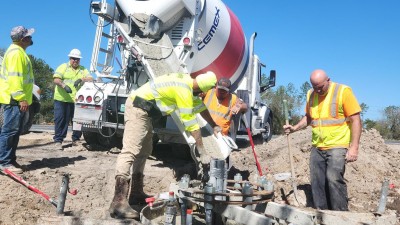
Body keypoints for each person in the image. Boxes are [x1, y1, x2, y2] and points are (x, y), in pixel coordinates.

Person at [109, 71, 220, 219]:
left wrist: (214, 125)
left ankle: (135, 193)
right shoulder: (184, 90)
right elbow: (191, 123)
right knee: (130, 150)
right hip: (137, 107)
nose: (201, 96)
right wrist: (202, 151)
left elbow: (201, 108)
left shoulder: (188, 85)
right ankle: (118, 203)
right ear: (201, 89)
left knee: (144, 151)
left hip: (146, 111)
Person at [283, 69, 362, 211]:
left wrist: (354, 147)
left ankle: (339, 216)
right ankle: (322, 213)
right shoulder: (311, 94)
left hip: (338, 144)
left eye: (320, 87)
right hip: (318, 146)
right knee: (317, 181)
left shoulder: (343, 91)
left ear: (328, 80)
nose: (318, 90)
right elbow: (309, 117)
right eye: (314, 87)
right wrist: (295, 128)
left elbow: (356, 119)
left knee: (333, 179)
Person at [0, 26, 35, 174]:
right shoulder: (15, 53)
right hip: (13, 99)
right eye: (28, 36)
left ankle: (10, 160)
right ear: (22, 39)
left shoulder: (19, 52)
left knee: (15, 131)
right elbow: (15, 79)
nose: (31, 38)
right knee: (9, 131)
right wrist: (21, 98)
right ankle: (4, 162)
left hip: (16, 99)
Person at [52, 49, 93, 150]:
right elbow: (56, 79)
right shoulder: (63, 67)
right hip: (62, 99)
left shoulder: (83, 69)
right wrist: (64, 85)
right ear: (70, 58)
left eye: (77, 59)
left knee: (78, 121)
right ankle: (58, 140)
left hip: (75, 100)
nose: (75, 61)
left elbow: (91, 78)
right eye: (73, 58)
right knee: (61, 120)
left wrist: (82, 79)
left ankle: (76, 139)